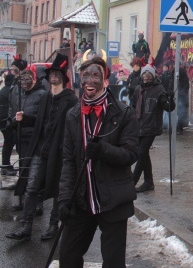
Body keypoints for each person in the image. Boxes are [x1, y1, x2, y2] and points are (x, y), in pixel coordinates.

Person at [57, 56, 138, 267]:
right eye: (85, 76)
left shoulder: (124, 114)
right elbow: (68, 160)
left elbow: (131, 154)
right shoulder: (73, 115)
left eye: (95, 75)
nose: (89, 81)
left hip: (113, 200)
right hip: (81, 198)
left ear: (105, 81)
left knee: (112, 262)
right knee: (68, 256)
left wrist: (103, 150)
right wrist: (64, 198)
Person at [6, 53, 78, 242]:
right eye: (52, 73)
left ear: (63, 77)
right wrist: (25, 119)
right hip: (40, 149)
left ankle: (53, 225)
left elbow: (73, 127)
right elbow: (41, 121)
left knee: (57, 191)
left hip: (60, 151)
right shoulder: (46, 97)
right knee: (31, 188)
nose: (54, 75)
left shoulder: (70, 100)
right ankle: (26, 226)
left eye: (58, 72)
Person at [8, 62, 48, 211]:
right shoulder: (19, 94)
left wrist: (27, 118)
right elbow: (13, 111)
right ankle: (22, 199)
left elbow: (43, 117)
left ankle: (38, 202)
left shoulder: (42, 94)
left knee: (36, 171)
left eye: (27, 80)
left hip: (35, 139)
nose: (24, 83)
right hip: (21, 138)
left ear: (34, 79)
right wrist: (12, 122)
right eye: (22, 80)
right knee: (23, 169)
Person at [131, 65, 175, 193]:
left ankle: (132, 182)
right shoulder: (138, 89)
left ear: (153, 76)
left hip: (152, 127)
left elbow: (168, 107)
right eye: (144, 74)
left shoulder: (159, 89)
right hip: (139, 126)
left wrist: (171, 99)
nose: (145, 77)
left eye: (148, 75)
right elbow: (133, 106)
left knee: (141, 153)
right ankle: (149, 182)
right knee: (144, 154)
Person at [0, 72, 17, 176]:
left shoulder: (4, 90)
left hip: (3, 120)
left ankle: (6, 165)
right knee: (8, 143)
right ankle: (5, 166)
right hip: (5, 121)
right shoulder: (8, 91)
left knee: (8, 142)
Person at [176, 65, 189, 135]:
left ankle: (179, 128)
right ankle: (178, 129)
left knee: (180, 114)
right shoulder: (184, 78)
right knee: (180, 114)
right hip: (180, 98)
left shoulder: (183, 80)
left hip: (181, 98)